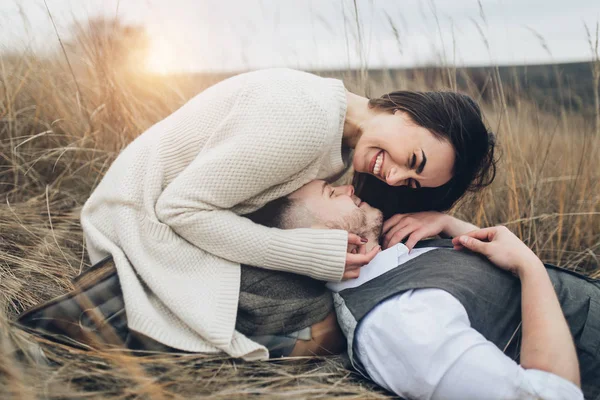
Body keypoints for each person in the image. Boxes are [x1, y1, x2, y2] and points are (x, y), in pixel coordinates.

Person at [19, 180, 598, 399]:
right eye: (331, 191)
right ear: (311, 235)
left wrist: (454, 229)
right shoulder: (400, 323)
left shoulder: (408, 247)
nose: (353, 185)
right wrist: (527, 265)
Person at [79, 67, 496, 359]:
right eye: (415, 160)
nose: (394, 175)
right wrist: (303, 253)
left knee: (343, 295)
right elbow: (181, 210)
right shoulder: (306, 121)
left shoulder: (340, 130)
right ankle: (107, 312)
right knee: (333, 318)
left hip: (165, 220)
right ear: (409, 112)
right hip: (136, 226)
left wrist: (446, 223)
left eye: (410, 183)